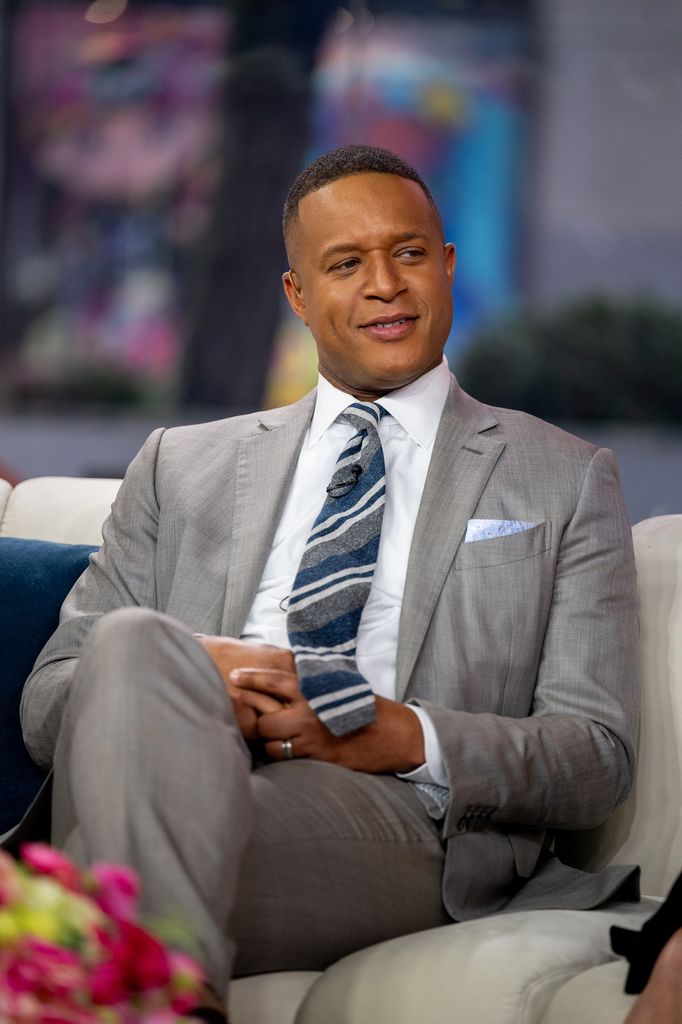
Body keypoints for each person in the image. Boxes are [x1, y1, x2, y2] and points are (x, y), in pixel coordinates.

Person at [14, 145, 640, 1018]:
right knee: (132, 645)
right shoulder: (178, 465)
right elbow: (48, 703)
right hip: (177, 770)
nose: (384, 283)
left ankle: (104, 960)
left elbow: (596, 756)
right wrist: (205, 682)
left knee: (105, 880)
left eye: (409, 253)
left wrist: (396, 733)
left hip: (395, 820)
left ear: (448, 266)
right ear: (298, 297)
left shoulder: (562, 477)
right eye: (346, 264)